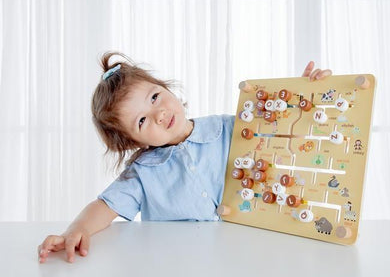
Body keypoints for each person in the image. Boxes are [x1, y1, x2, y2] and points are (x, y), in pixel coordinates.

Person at [37, 52, 332, 263]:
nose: (159, 113)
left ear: (165, 88)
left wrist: (305, 95)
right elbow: (104, 206)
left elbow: (283, 133)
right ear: (131, 141)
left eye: (155, 97)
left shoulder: (229, 128)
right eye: (141, 121)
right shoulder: (143, 172)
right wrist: (76, 230)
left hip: (249, 256)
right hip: (179, 263)